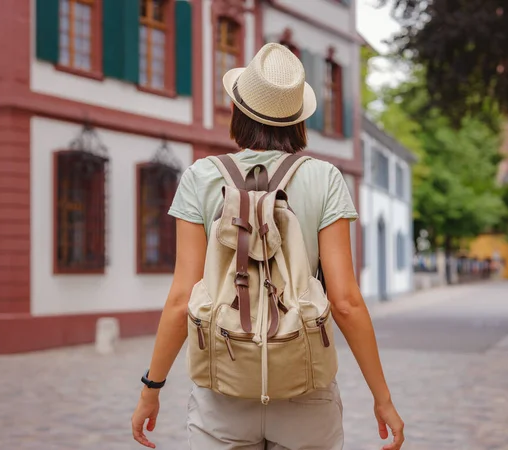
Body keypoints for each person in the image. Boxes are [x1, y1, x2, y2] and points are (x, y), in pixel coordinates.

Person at [131, 43, 404, 450]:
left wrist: (151, 387)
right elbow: (345, 301)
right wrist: (382, 398)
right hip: (304, 388)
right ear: (298, 120)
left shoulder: (201, 177)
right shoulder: (325, 179)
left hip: (223, 388)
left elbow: (182, 298)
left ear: (238, 111)